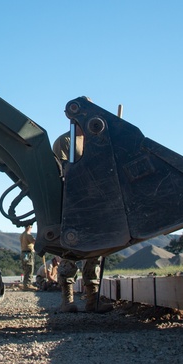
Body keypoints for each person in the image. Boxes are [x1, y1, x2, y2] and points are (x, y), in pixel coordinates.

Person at [52, 129, 111, 312]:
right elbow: (60, 169)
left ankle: (92, 300)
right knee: (69, 251)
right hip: (73, 202)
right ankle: (67, 300)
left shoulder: (97, 141)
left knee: (94, 252)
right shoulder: (65, 141)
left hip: (94, 202)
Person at [19, 224, 37, 291]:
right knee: (29, 269)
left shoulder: (22, 235)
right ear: (29, 227)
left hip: (23, 253)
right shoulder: (28, 235)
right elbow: (34, 242)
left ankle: (25, 284)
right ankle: (27, 285)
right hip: (28, 253)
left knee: (26, 269)